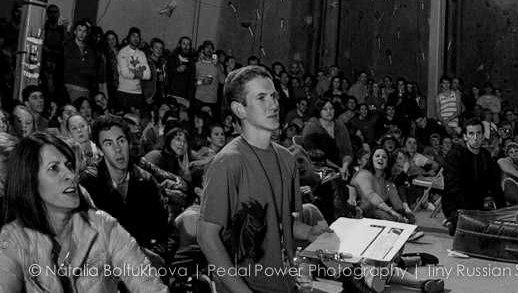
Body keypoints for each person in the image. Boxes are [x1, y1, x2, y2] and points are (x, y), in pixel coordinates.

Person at [198, 65, 325, 293]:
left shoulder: (286, 159)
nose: (273, 105)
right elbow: (207, 237)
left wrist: (309, 232)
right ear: (240, 109)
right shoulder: (227, 163)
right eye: (261, 98)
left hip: (285, 284)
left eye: (274, 96)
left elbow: (281, 223)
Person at [0, 133, 168, 292]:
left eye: (69, 166)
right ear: (29, 179)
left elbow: (149, 285)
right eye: (53, 168)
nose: (71, 175)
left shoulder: (103, 226)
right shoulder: (14, 238)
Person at [82, 115, 179, 266]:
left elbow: (169, 231)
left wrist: (156, 257)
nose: (117, 149)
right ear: (100, 150)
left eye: (121, 141)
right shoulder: (88, 182)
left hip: (148, 264)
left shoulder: (145, 180)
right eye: (108, 143)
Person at [442, 118, 507, 236]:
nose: (476, 138)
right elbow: (454, 189)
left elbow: (495, 185)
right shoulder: (455, 156)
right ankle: (453, 222)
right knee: (476, 231)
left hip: (479, 204)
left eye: (479, 133)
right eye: (471, 134)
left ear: (483, 135)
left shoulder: (485, 155)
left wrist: (503, 210)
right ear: (465, 136)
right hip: (456, 205)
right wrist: (474, 210)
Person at [351, 147, 415, 223]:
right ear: (371, 159)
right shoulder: (363, 174)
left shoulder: (386, 177)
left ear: (387, 162)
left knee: (410, 218)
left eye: (384, 157)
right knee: (388, 217)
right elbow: (371, 196)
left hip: (382, 207)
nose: (380, 158)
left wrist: (401, 212)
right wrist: (391, 211)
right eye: (377, 156)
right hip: (364, 208)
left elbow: (394, 196)